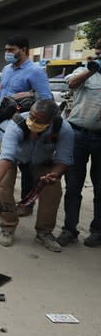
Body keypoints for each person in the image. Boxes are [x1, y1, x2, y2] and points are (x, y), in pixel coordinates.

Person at [0, 100, 74, 252]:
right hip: (12, 155)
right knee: (2, 187)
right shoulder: (16, 124)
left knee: (53, 190)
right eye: (31, 116)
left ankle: (44, 232)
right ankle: (8, 227)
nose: (33, 121)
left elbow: (64, 159)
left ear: (51, 120)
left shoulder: (64, 129)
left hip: (42, 158)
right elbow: (6, 157)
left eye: (39, 120)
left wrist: (54, 175)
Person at [0, 35, 52, 215]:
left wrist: (26, 98)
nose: (7, 53)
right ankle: (5, 214)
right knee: (2, 173)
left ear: (24, 50)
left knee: (27, 170)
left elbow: (47, 101)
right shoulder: (6, 69)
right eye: (6, 50)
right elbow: (2, 97)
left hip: (24, 131)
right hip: (1, 129)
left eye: (11, 50)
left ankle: (26, 204)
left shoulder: (35, 71)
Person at [57, 43, 101, 247]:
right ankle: (69, 229)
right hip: (78, 135)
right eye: (99, 53)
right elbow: (72, 84)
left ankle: (97, 231)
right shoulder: (83, 70)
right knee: (73, 184)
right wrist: (92, 70)